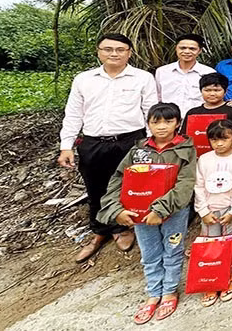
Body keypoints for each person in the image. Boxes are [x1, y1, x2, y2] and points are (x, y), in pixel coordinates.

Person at [58, 33, 157, 263]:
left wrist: (152, 144)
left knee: (130, 186)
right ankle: (99, 231)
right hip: (93, 142)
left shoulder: (142, 78)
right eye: (108, 49)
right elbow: (73, 114)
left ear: (129, 53)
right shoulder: (84, 79)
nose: (114, 53)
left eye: (120, 49)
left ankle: (123, 228)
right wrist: (66, 145)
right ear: (99, 51)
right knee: (95, 188)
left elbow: (150, 111)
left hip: (130, 141)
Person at [96, 103, 196, 324]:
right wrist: (117, 210)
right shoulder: (138, 151)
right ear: (147, 123)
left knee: (172, 249)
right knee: (149, 253)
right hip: (140, 214)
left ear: (178, 123)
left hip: (174, 213)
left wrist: (160, 210)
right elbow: (119, 180)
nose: (162, 127)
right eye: (156, 121)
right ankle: (153, 293)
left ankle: (169, 291)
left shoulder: (186, 149)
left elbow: (185, 184)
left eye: (168, 121)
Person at [193, 119, 232, 307]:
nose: (219, 144)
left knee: (228, 243)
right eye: (214, 140)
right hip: (208, 209)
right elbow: (198, 186)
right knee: (210, 244)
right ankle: (210, 280)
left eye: (224, 139)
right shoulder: (204, 159)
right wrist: (203, 211)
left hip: (230, 209)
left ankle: (226, 278)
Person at [154, 33, 215, 115]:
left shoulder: (208, 72)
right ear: (176, 48)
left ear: (199, 51)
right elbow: (157, 98)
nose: (187, 51)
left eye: (192, 49)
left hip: (197, 118)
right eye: (182, 48)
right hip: (168, 119)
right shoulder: (162, 72)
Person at [181, 73, 232, 149]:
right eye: (207, 90)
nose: (212, 94)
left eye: (217, 90)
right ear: (201, 91)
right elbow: (184, 136)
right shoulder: (192, 112)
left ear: (225, 91)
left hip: (226, 154)